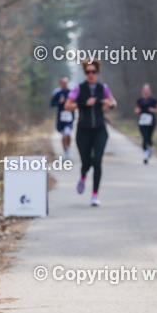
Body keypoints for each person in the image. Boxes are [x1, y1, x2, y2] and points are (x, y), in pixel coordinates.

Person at [63, 59, 116, 206]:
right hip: (83, 131)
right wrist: (83, 104)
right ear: (85, 73)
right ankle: (83, 177)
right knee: (86, 162)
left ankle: (95, 195)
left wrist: (109, 104)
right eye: (88, 72)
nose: (90, 74)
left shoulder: (103, 88)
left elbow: (113, 103)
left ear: (97, 73)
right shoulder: (79, 89)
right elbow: (67, 105)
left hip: (100, 130)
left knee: (97, 161)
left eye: (93, 72)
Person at [135, 84, 157, 164]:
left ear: (149, 91)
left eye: (147, 90)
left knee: (149, 138)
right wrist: (138, 110)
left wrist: (154, 110)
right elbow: (137, 108)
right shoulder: (140, 100)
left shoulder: (153, 99)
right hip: (142, 121)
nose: (146, 91)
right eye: (145, 90)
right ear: (142, 91)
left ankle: (150, 148)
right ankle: (145, 156)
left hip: (151, 121)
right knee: (144, 138)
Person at [50, 76, 73, 160]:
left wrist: (71, 106)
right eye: (63, 83)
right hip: (61, 117)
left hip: (69, 116)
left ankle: (69, 149)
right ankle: (65, 151)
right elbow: (52, 104)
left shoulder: (71, 92)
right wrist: (59, 102)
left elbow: (76, 102)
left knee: (68, 133)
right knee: (63, 135)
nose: (64, 84)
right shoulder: (57, 92)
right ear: (60, 83)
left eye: (65, 83)